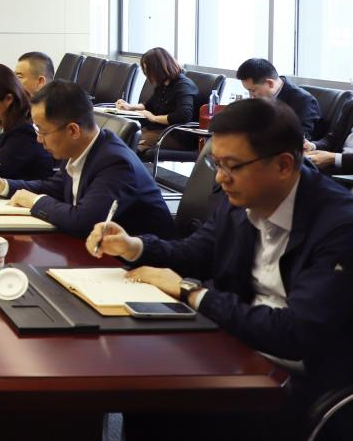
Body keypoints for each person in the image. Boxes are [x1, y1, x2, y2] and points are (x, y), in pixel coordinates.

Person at [87, 99, 353, 437]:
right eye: (216, 163)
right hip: (238, 346)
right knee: (142, 386)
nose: (220, 177)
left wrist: (191, 292)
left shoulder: (339, 226)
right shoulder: (241, 201)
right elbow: (193, 253)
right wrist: (134, 245)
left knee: (163, 404)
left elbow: (293, 333)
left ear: (284, 165)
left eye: (232, 166)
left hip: (301, 379)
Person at [0, 79, 174, 239]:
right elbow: (54, 188)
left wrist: (35, 201)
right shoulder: (82, 149)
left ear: (73, 130)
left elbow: (84, 222)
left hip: (141, 267)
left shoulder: (116, 163)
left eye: (42, 131)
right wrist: (3, 186)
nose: (38, 139)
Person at [115, 47, 199, 153]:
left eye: (148, 71)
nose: (147, 75)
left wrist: (154, 118)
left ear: (159, 69)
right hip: (159, 130)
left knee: (130, 142)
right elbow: (149, 105)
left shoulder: (184, 86)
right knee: (123, 135)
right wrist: (130, 107)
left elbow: (183, 115)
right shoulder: (163, 84)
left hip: (177, 136)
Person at [237, 57, 321, 139]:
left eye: (253, 90)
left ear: (270, 83)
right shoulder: (262, 98)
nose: (251, 96)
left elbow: (298, 139)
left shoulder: (304, 101)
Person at [305, 99, 353, 174]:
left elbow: (332, 157)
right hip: (337, 167)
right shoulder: (351, 105)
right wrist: (312, 146)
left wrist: (334, 158)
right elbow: (333, 139)